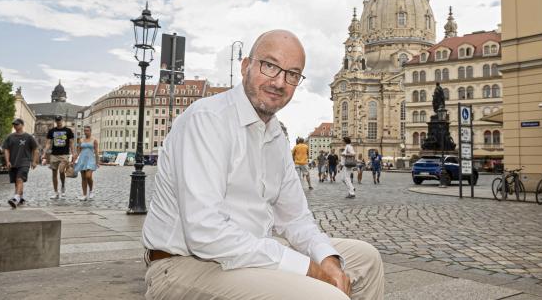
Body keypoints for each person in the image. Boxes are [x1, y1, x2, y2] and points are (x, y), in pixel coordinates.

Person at [142, 29, 384, 300]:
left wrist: (326, 258)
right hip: (185, 264)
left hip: (253, 250)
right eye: (270, 66)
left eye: (292, 74)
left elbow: (295, 218)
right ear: (246, 66)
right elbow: (204, 231)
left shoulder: (275, 134)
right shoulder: (208, 119)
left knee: (366, 259)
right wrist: (308, 269)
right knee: (326, 296)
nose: (279, 82)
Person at [2, 118, 38, 208]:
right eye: (14, 124)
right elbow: (6, 149)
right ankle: (20, 198)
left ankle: (15, 198)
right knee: (16, 181)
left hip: (24, 162)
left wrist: (34, 161)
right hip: (13, 162)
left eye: (17, 124)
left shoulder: (29, 137)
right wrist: (7, 161)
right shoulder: (10, 137)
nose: (15, 126)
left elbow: (35, 149)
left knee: (19, 179)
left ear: (22, 125)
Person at [44, 115, 75, 199]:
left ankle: (63, 187)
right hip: (54, 154)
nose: (59, 122)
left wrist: (73, 154)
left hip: (64, 154)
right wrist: (44, 152)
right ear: (55, 121)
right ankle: (56, 192)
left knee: (61, 171)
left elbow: (71, 143)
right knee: (54, 173)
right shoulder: (52, 131)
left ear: (62, 120)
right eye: (57, 120)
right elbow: (48, 143)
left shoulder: (68, 131)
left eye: (60, 120)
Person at [74, 125, 99, 201]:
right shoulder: (81, 140)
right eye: (85, 130)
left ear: (90, 131)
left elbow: (96, 152)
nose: (86, 132)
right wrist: (74, 159)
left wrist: (97, 161)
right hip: (82, 159)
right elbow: (78, 150)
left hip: (91, 160)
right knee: (83, 178)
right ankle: (84, 195)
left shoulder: (94, 140)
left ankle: (91, 191)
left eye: (87, 130)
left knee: (88, 176)